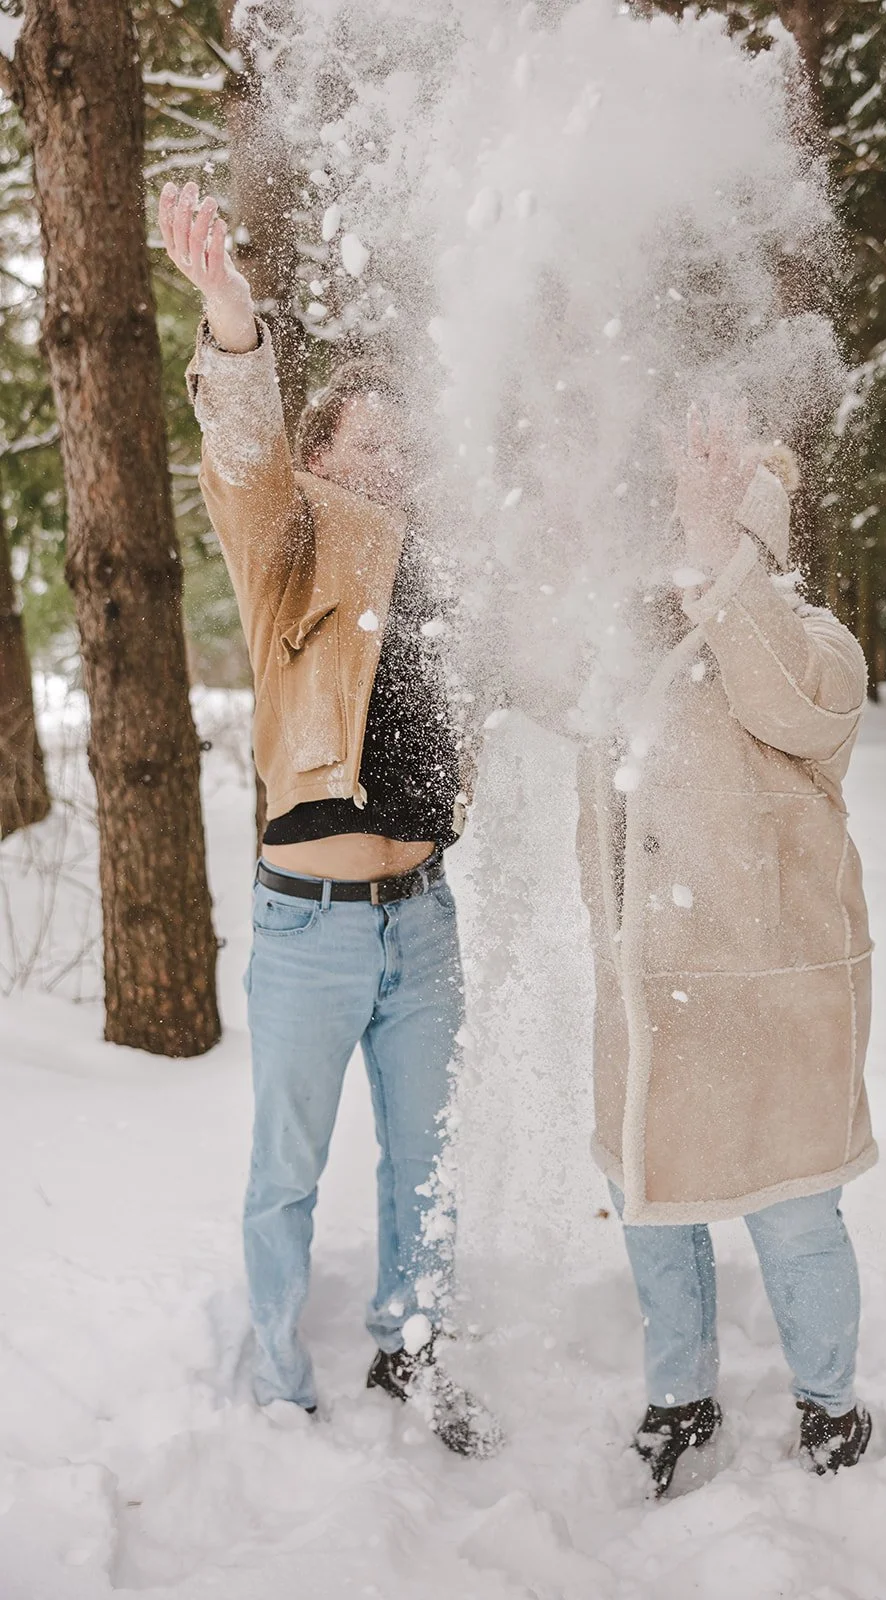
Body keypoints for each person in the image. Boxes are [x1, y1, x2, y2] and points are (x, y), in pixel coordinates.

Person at [158, 180, 499, 1457]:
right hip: (308, 930)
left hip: (422, 923)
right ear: (316, 457)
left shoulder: (442, 565)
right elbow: (241, 460)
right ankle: (276, 1376)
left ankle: (414, 1349)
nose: (388, 468)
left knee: (424, 1168)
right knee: (286, 1171)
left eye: (402, 452)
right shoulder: (289, 544)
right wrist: (233, 324)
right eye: (365, 448)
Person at [577, 399, 875, 1496]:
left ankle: (830, 1405)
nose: (679, 540)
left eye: (708, 519)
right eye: (671, 516)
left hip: (772, 1011)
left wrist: (722, 557)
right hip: (650, 1011)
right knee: (653, 1216)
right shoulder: (618, 661)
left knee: (795, 1221)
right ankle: (679, 1392)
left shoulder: (813, 647)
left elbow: (788, 698)